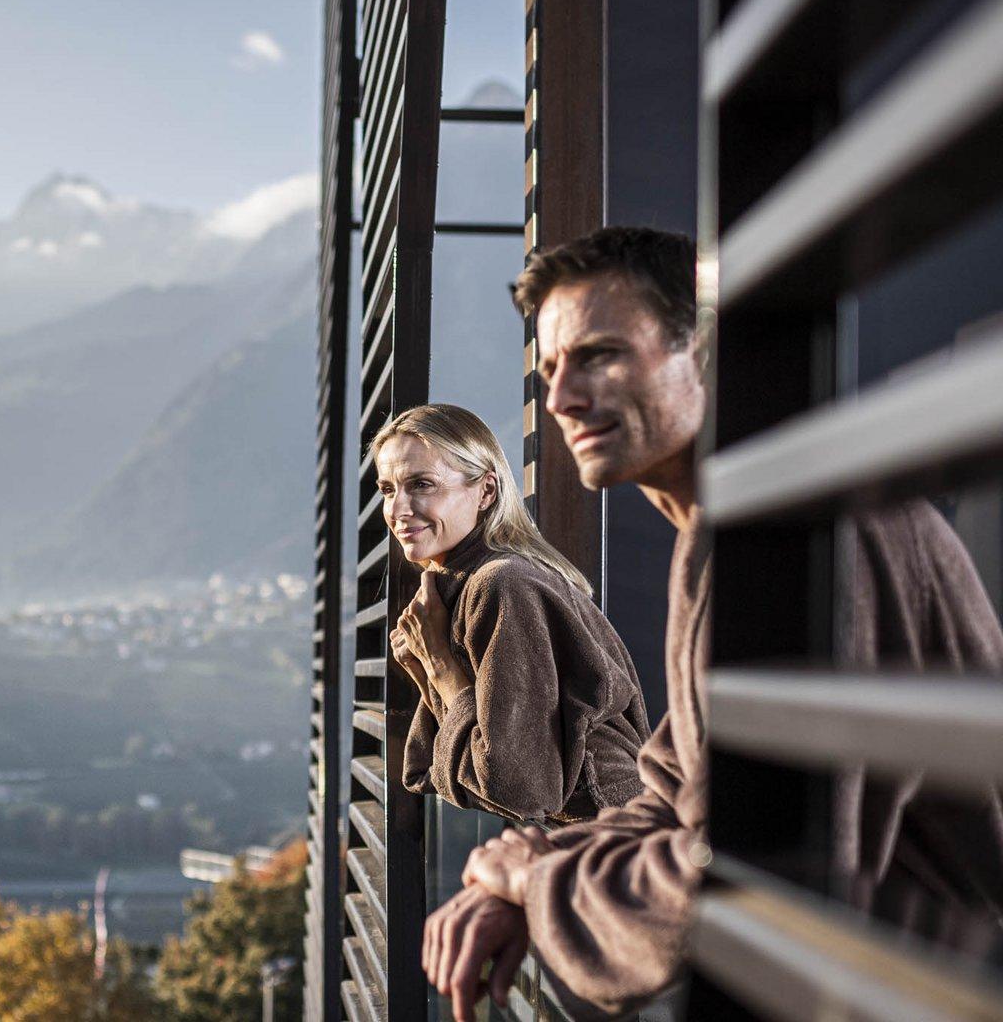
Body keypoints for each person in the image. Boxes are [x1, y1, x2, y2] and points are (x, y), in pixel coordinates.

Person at [420, 226, 1003, 1021]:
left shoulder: (798, 536)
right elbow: (677, 794)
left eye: (599, 355)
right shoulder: (725, 535)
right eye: (551, 370)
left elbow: (752, 874)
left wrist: (535, 879)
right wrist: (535, 865)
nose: (560, 400)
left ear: (701, 348)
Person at [373, 404, 649, 823]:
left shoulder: (502, 583)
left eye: (422, 484)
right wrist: (423, 666)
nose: (398, 510)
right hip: (599, 834)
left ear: (486, 491)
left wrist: (439, 664)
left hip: (616, 837)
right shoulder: (464, 586)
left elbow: (519, 790)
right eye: (388, 490)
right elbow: (441, 766)